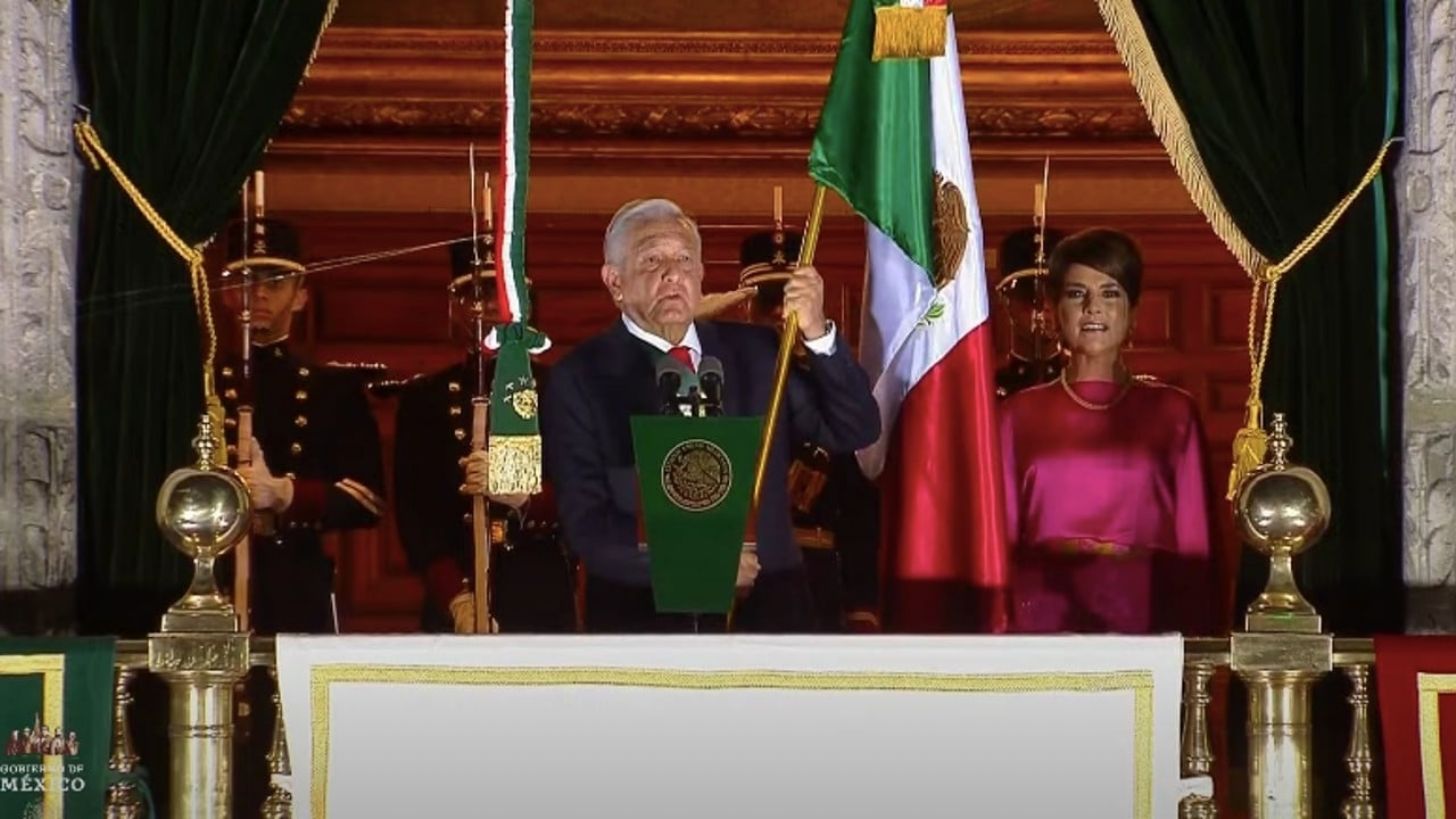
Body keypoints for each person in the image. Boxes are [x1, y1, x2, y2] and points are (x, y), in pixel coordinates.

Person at [542, 198, 880, 633]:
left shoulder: (759, 354)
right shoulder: (580, 377)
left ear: (701, 273)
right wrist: (703, 564)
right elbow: (587, 525)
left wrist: (817, 334)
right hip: (645, 625)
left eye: (685, 259)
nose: (672, 274)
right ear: (614, 281)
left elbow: (855, 428)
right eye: (652, 260)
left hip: (771, 620)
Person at [999, 228, 1212, 634]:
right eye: (1076, 293)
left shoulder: (1173, 413)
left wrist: (1198, 646)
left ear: (1133, 313)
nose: (1093, 307)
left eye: (1110, 293)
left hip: (1147, 626)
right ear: (1056, 311)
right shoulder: (1016, 415)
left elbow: (1195, 546)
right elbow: (999, 544)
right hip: (1041, 629)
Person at [393, 238, 575, 633]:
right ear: (454, 306)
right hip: (457, 596)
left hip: (539, 593)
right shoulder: (425, 399)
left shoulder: (561, 391)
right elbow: (416, 519)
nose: (490, 307)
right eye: (475, 294)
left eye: (502, 295)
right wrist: (456, 597)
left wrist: (522, 496)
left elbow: (584, 496)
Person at [217, 217, 386, 634]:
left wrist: (284, 493)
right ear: (226, 294)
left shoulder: (331, 390)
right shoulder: (199, 385)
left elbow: (368, 500)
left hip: (294, 582)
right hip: (212, 577)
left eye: (275, 282)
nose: (259, 293)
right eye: (246, 280)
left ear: (300, 296)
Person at [736, 228, 881, 632]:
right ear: (744, 307)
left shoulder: (828, 388)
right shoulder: (720, 377)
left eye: (789, 300)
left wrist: (862, 606)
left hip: (811, 580)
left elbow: (858, 508)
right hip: (737, 576)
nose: (778, 313)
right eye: (766, 301)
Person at [994, 226, 1066, 398]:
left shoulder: (1086, 386)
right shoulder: (984, 390)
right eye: (1028, 292)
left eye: (1054, 292)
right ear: (1005, 299)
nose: (1044, 304)